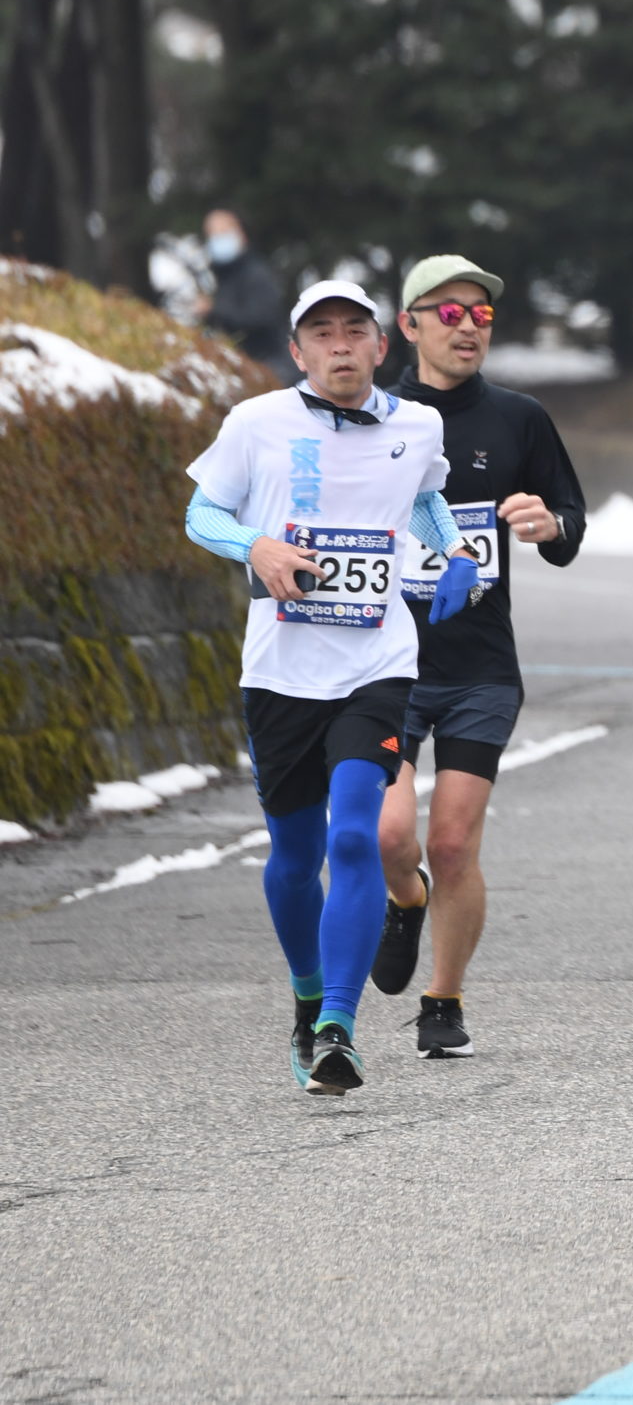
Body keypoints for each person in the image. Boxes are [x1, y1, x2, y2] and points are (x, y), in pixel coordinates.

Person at [182, 280, 481, 1093]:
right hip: (280, 670)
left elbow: (425, 499)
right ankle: (307, 993)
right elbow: (200, 515)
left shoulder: (418, 423)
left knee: (357, 837)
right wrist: (258, 548)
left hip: (376, 664)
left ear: (383, 346)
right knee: (293, 855)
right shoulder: (256, 423)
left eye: (356, 330)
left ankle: (337, 1028)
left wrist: (456, 554)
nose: (341, 344)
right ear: (299, 351)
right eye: (323, 333)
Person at [371, 256, 588, 1060]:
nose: (468, 327)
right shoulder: (377, 415)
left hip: (481, 669)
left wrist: (549, 523)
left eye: (482, 315)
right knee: (393, 834)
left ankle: (443, 997)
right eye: (450, 313)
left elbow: (571, 520)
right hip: (385, 666)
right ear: (411, 325)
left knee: (455, 840)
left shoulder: (519, 418)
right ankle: (405, 896)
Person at [196, 209, 292, 383]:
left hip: (274, 368)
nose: (218, 239)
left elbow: (261, 318)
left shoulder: (256, 274)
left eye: (224, 232)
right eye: (212, 234)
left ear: (242, 234)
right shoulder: (223, 279)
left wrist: (214, 312)